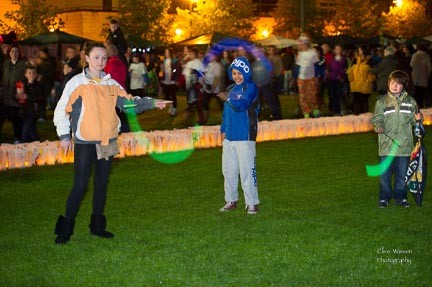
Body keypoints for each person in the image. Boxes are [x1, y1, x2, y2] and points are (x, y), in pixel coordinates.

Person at [53, 43, 167, 244]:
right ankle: (65, 229)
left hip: (108, 141)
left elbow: (128, 103)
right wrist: (64, 136)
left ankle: (97, 227)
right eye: (96, 57)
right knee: (80, 185)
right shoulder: (76, 82)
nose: (100, 62)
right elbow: (62, 109)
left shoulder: (111, 84)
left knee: (101, 184)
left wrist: (151, 103)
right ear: (87, 58)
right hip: (85, 141)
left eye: (104, 58)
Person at [372, 70, 422, 208]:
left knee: (402, 175)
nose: (395, 86)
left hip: (404, 146)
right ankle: (384, 198)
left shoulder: (411, 102)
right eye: (392, 83)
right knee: (385, 175)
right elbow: (377, 118)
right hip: (386, 146)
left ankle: (401, 197)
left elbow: (415, 122)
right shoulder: (382, 102)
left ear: (404, 86)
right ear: (388, 83)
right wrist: (378, 125)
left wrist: (418, 120)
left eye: (399, 84)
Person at [219, 56, 260, 215]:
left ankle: (252, 203)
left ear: (247, 72)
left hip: (245, 136)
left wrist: (228, 98)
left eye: (240, 73)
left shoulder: (251, 87)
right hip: (229, 137)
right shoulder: (231, 89)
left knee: (247, 171)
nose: (237, 76)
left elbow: (241, 105)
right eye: (234, 73)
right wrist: (223, 130)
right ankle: (231, 200)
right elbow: (226, 113)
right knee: (228, 170)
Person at [1, 44, 26, 143]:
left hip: (16, 96)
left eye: (16, 51)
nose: (14, 53)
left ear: (19, 53)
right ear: (9, 53)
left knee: (17, 120)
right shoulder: (6, 64)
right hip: (5, 96)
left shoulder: (23, 65)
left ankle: (17, 138)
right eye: (12, 51)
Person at [105, 45, 129, 133]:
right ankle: (126, 131)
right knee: (122, 113)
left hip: (113, 91)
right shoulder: (121, 62)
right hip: (122, 89)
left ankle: (117, 131)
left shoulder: (110, 64)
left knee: (115, 113)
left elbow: (106, 78)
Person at [296, 36, 319, 118]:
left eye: (301, 44)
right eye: (299, 45)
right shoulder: (299, 54)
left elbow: (316, 65)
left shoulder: (313, 53)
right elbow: (298, 66)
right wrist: (296, 77)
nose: (300, 46)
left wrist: (316, 77)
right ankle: (306, 113)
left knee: (312, 94)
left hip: (311, 78)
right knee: (302, 96)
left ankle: (315, 110)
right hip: (301, 78)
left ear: (306, 44)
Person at [347, 46, 375, 114]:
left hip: (365, 85)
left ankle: (365, 118)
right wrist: (351, 80)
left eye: (360, 49)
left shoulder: (369, 60)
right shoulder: (355, 60)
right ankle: (357, 117)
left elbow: (372, 72)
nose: (359, 51)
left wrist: (368, 80)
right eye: (358, 50)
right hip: (356, 84)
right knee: (356, 101)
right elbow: (350, 71)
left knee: (364, 101)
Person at [19, 65, 43, 143]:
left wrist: (28, 96)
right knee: (32, 130)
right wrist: (16, 96)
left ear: (36, 74)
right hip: (22, 110)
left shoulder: (39, 85)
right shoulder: (21, 84)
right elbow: (15, 95)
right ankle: (38, 144)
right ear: (26, 74)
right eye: (29, 73)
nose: (31, 75)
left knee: (25, 132)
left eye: (33, 73)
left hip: (32, 112)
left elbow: (40, 97)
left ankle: (24, 145)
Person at [183, 48, 204, 123]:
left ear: (195, 54)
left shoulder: (198, 62)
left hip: (196, 86)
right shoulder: (188, 63)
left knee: (198, 103)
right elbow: (185, 74)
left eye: (192, 54)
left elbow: (202, 74)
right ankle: (188, 118)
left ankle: (201, 118)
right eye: (189, 54)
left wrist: (201, 84)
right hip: (189, 86)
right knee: (190, 102)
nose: (190, 55)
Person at [201, 52, 223, 123]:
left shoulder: (216, 66)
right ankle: (205, 119)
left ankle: (228, 117)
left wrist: (213, 87)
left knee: (220, 103)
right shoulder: (208, 65)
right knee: (205, 103)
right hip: (207, 88)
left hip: (214, 89)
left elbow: (216, 78)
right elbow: (205, 74)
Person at [326, 45, 347, 116]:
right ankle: (336, 111)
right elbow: (329, 70)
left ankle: (342, 109)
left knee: (340, 95)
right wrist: (333, 76)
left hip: (339, 80)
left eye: (339, 49)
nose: (337, 50)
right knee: (334, 95)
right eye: (336, 49)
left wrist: (341, 76)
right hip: (333, 80)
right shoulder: (332, 59)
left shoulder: (343, 60)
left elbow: (344, 69)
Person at [36, 46, 56, 120]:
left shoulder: (50, 61)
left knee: (43, 99)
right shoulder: (40, 60)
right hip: (40, 83)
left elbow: (51, 72)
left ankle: (42, 115)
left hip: (47, 83)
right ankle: (39, 114)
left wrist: (42, 64)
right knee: (40, 99)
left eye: (41, 53)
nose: (40, 54)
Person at [160, 48, 181, 116]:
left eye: (168, 52)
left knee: (173, 95)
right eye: (165, 52)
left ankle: (174, 109)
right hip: (165, 80)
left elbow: (176, 69)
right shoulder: (164, 60)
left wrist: (173, 72)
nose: (166, 54)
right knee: (166, 95)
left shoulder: (174, 60)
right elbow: (162, 69)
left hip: (172, 80)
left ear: (170, 53)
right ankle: (171, 105)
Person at [267, 45, 283, 120]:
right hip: (268, 79)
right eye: (270, 50)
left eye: (273, 50)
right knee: (271, 96)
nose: (271, 51)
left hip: (275, 78)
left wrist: (276, 76)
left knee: (274, 96)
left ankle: (277, 112)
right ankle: (273, 111)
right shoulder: (267, 58)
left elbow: (280, 68)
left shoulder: (278, 58)